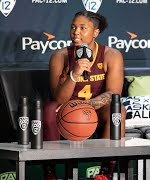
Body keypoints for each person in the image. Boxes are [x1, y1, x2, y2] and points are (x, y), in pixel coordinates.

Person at [43, 10, 126, 180]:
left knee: (118, 110)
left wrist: (84, 108)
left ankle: (105, 174)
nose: (76, 32)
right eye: (73, 27)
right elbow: (58, 98)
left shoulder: (112, 55)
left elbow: (113, 94)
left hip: (95, 109)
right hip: (67, 110)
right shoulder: (60, 56)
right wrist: (74, 73)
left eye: (83, 28)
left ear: (96, 32)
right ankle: (50, 173)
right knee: (49, 108)